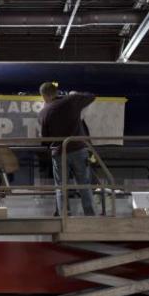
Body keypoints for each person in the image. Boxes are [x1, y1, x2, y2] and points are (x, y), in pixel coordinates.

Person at [37, 82, 96, 216]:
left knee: (60, 186)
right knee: (84, 184)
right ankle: (90, 214)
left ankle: (64, 215)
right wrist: (74, 94)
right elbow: (92, 96)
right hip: (79, 149)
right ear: (57, 92)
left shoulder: (43, 113)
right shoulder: (71, 101)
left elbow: (45, 139)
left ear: (43, 96)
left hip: (59, 153)